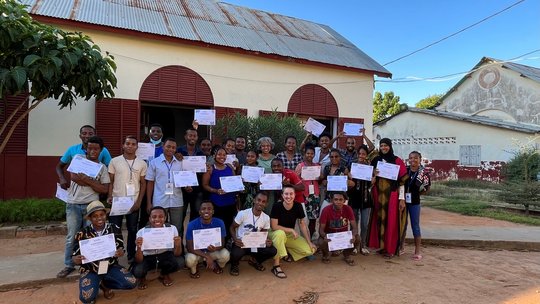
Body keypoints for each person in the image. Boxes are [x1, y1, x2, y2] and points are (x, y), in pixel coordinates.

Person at [57, 136, 110, 279]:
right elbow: (74, 177)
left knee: (91, 236)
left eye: (96, 149)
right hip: (73, 202)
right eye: (90, 148)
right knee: (72, 235)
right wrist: (94, 183)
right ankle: (68, 264)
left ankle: (89, 264)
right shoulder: (79, 158)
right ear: (86, 148)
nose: (92, 151)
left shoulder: (102, 168)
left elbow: (104, 189)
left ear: (101, 150)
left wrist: (85, 179)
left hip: (92, 205)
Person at [72, 201, 136, 303]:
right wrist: (76, 259)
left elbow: (121, 248)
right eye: (95, 216)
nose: (99, 218)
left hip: (110, 266)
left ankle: (104, 284)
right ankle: (97, 283)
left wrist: (120, 252)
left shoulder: (114, 229)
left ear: (105, 215)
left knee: (131, 283)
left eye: (102, 214)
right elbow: (74, 256)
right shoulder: (82, 233)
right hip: (90, 269)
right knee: (86, 298)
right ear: (90, 218)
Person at [107, 136, 147, 262]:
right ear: (123, 145)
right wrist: (109, 196)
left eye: (133, 144)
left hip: (133, 202)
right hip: (117, 201)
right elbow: (110, 181)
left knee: (132, 229)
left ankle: (131, 254)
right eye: (127, 143)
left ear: (137, 147)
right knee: (115, 229)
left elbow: (143, 184)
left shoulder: (142, 163)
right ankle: (115, 255)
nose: (130, 146)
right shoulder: (114, 161)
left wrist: (139, 202)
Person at [367, 138, 409, 258]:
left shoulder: (397, 161)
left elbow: (402, 182)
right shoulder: (376, 160)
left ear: (390, 146)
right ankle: (383, 247)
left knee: (391, 221)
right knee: (380, 220)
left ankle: (390, 249)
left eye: (386, 145)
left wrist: (402, 199)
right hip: (378, 195)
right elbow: (371, 177)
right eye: (382, 146)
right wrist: (374, 174)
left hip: (392, 195)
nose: (384, 148)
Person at [269, 186, 317, 279]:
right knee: (280, 234)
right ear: (282, 195)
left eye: (291, 194)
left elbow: (302, 225)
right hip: (275, 233)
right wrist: (291, 230)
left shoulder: (298, 206)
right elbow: (274, 226)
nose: (288, 196)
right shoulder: (277, 206)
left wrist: (309, 242)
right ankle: (276, 266)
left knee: (311, 250)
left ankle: (286, 250)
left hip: (289, 236)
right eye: (286, 194)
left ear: (295, 195)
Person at [133, 206, 184, 289]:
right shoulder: (141, 232)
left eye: (161, 217)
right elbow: (139, 259)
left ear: (165, 218)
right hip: (147, 257)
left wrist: (178, 245)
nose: (157, 219)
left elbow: (177, 254)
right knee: (138, 271)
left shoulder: (172, 229)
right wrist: (139, 247)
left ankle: (164, 273)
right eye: (154, 217)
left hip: (165, 254)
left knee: (180, 262)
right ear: (149, 218)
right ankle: (142, 277)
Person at [146, 138, 188, 235]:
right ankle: (163, 249)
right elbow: (150, 183)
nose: (171, 149)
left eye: (173, 147)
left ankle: (177, 249)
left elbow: (184, 179)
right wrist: (149, 202)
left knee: (177, 228)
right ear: (163, 147)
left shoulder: (180, 163)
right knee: (159, 227)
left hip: (177, 201)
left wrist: (187, 186)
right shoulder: (154, 162)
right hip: (160, 200)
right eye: (168, 146)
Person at [229, 192, 278, 276]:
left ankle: (255, 261)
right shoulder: (243, 214)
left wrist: (266, 240)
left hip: (255, 243)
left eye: (263, 201)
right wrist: (235, 239)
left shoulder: (266, 217)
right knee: (235, 253)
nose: (260, 203)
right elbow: (232, 227)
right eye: (258, 200)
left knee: (272, 250)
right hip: (242, 243)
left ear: (266, 204)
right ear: (254, 200)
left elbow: (264, 231)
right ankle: (234, 265)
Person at [55, 125, 111, 190]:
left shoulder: (103, 150)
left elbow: (109, 168)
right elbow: (59, 166)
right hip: (76, 188)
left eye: (90, 134)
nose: (87, 136)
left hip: (95, 189)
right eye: (84, 133)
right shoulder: (72, 150)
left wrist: (102, 186)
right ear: (80, 136)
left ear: (95, 135)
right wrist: (62, 179)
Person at [185, 201, 230, 278]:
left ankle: (218, 266)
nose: (206, 211)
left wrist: (215, 248)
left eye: (209, 209)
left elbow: (222, 243)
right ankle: (194, 269)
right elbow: (189, 247)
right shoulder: (191, 224)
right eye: (203, 209)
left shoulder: (220, 222)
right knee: (190, 259)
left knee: (225, 255)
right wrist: (207, 256)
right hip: (198, 253)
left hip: (213, 251)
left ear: (213, 212)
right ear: (199, 212)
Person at [202, 147, 239, 239]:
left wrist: (239, 187)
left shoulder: (230, 167)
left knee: (229, 223)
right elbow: (205, 185)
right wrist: (216, 191)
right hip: (217, 202)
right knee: (218, 224)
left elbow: (234, 181)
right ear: (215, 156)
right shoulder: (210, 168)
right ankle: (218, 244)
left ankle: (228, 244)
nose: (222, 157)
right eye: (219, 154)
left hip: (230, 201)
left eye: (224, 155)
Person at [318, 192, 359, 265]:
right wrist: (324, 236)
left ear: (344, 201)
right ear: (331, 200)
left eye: (341, 199)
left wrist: (353, 235)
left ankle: (346, 255)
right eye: (336, 199)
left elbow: (355, 227)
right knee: (321, 241)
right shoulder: (326, 210)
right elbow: (321, 230)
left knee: (357, 238)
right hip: (330, 236)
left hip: (343, 237)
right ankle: (326, 255)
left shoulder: (348, 209)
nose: (338, 202)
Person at [404, 151, 431, 261]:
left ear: (420, 159)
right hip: (402, 202)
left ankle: (417, 250)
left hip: (415, 202)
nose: (413, 160)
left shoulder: (423, 173)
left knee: (415, 225)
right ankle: (401, 247)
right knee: (402, 225)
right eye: (411, 158)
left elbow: (427, 188)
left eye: (415, 158)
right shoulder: (405, 171)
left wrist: (418, 194)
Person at [347, 144, 373, 255]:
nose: (361, 155)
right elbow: (347, 178)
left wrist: (374, 177)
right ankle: (354, 245)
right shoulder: (352, 166)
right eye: (360, 153)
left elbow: (370, 184)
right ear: (357, 154)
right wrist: (348, 175)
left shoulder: (369, 167)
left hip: (366, 199)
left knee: (364, 224)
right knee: (354, 223)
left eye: (364, 154)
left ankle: (363, 245)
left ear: (366, 155)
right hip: (354, 198)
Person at [139, 123, 165, 229]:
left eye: (158, 131)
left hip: (160, 184)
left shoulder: (165, 147)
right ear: (149, 133)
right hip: (145, 182)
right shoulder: (142, 147)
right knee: (146, 212)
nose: (155, 133)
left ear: (162, 134)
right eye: (153, 131)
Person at [177, 127, 205, 222]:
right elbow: (175, 169)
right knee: (180, 216)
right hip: (181, 189)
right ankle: (180, 236)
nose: (192, 137)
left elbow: (201, 172)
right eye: (190, 135)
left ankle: (192, 236)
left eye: (194, 136)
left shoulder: (201, 153)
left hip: (196, 189)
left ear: (197, 138)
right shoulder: (178, 151)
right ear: (186, 137)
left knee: (196, 216)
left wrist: (204, 168)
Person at [295, 145, 321, 238]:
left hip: (315, 195)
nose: (310, 155)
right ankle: (303, 238)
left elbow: (321, 179)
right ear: (304, 154)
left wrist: (319, 176)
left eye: (312, 153)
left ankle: (310, 239)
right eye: (308, 153)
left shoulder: (317, 166)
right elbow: (296, 180)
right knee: (303, 219)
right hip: (303, 195)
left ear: (314, 154)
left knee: (313, 219)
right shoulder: (300, 166)